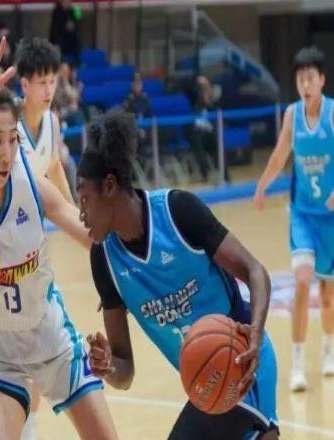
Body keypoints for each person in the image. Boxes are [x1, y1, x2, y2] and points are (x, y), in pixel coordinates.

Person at [0, 37, 118, 440]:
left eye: (12, 140)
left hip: (51, 336)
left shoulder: (31, 183)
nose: (7, 152)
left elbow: (91, 235)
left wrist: (122, 275)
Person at [77, 111, 279, 439]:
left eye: (85, 199)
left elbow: (255, 271)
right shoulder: (104, 260)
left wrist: (255, 334)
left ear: (110, 185)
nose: (81, 214)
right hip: (210, 385)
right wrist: (108, 365)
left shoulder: (177, 212)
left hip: (243, 366)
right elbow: (125, 371)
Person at [253, 46, 334, 392]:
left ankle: (328, 350)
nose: (305, 84)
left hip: (330, 219)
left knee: (328, 295)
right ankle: (297, 363)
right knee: (302, 281)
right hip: (303, 214)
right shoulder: (292, 115)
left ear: (322, 80)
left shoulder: (332, 114)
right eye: (300, 78)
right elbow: (279, 155)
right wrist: (261, 186)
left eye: (310, 78)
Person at [15, 37, 73, 202]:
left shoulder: (52, 122)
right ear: (25, 85)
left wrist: (74, 211)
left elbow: (54, 167)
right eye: (42, 83)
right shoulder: (8, 119)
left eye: (52, 81)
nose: (49, 90)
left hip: (30, 211)